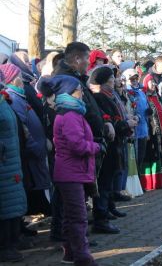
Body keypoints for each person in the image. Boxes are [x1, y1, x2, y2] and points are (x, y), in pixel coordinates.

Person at [52, 42, 116, 234]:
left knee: (77, 195)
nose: (89, 63)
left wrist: (103, 121)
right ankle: (67, 235)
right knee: (69, 198)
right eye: (87, 58)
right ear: (77, 58)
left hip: (87, 137)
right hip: (76, 147)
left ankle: (73, 234)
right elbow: (75, 116)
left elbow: (89, 106)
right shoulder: (65, 80)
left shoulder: (76, 77)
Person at [44, 75, 100, 266]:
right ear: (69, 93)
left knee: (70, 216)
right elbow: (77, 145)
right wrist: (96, 147)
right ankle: (82, 257)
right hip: (71, 173)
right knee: (78, 217)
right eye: (78, 90)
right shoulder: (70, 116)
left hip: (71, 172)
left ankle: (70, 253)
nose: (82, 92)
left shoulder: (71, 113)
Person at [0, 63, 51, 215]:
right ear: (12, 79)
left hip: (34, 151)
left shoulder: (18, 96)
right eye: (18, 76)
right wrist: (35, 146)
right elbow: (22, 127)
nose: (21, 79)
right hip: (29, 152)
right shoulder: (13, 98)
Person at [89, 66, 135, 230]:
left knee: (109, 179)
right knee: (104, 180)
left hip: (116, 143)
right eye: (111, 79)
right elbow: (109, 121)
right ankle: (101, 216)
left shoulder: (110, 96)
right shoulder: (101, 97)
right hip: (109, 145)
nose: (115, 81)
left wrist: (127, 120)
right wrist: (125, 124)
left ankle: (108, 208)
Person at [0, 69, 27, 263]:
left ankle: (13, 240)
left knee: (12, 202)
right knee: (6, 204)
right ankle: (5, 246)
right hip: (4, 161)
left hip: (11, 160)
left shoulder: (3, 100)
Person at [141, 73, 162, 189]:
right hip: (151, 131)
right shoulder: (144, 97)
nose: (154, 84)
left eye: (154, 82)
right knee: (153, 154)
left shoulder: (157, 96)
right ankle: (153, 182)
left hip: (161, 130)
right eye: (151, 82)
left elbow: (160, 114)